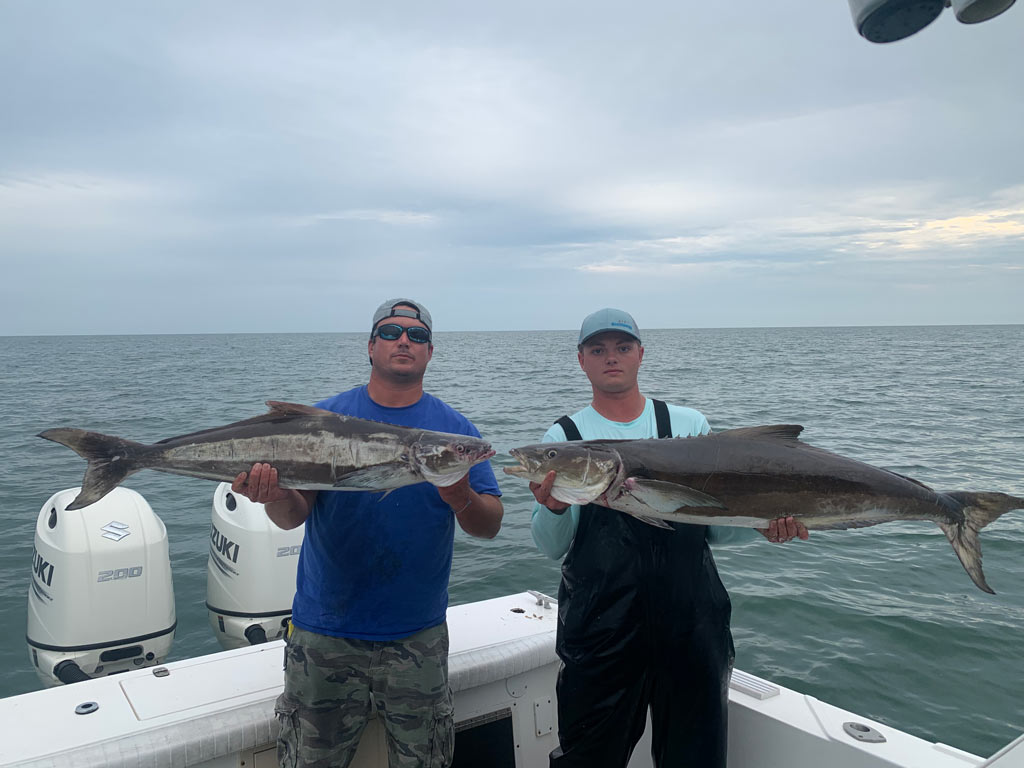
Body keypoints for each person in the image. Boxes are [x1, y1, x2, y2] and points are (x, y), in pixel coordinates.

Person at [529, 308, 807, 768]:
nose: (610, 357)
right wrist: (555, 506)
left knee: (695, 758)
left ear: (641, 354)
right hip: (601, 629)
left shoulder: (687, 424)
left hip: (692, 626)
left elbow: (716, 529)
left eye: (622, 347)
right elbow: (552, 547)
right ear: (581, 360)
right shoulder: (564, 437)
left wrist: (763, 525)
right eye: (598, 349)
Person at [232, 298, 503, 768]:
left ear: (430, 352)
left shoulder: (455, 432)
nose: (405, 341)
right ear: (372, 346)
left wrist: (457, 493)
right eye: (392, 331)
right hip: (324, 633)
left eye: (417, 335)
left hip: (417, 635)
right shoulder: (323, 419)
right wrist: (271, 493)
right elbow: (291, 517)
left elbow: (490, 525)